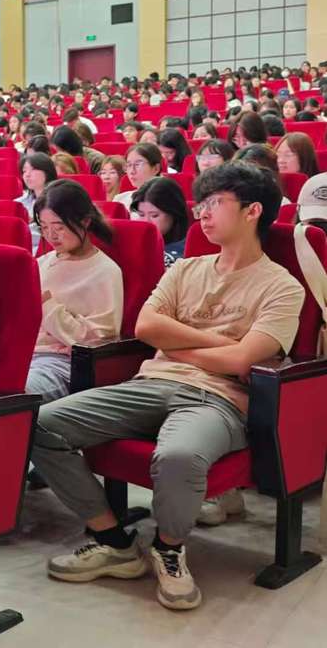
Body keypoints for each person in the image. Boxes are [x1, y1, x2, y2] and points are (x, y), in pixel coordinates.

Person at [31, 162, 304, 611]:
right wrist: (220, 345)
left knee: (178, 456)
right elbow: (147, 327)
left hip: (218, 398)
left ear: (253, 210)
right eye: (202, 203)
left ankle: (169, 547)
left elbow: (241, 362)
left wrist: (181, 346)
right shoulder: (186, 270)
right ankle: (114, 541)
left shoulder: (282, 286)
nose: (203, 213)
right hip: (152, 381)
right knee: (38, 424)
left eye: (215, 203)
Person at [25, 180, 122, 404]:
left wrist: (47, 306)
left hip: (59, 364)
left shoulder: (105, 271)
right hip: (24, 356)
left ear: (85, 221)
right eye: (44, 227)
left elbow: (97, 341)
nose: (51, 236)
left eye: (59, 227)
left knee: (8, 397)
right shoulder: (40, 263)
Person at [131, 177, 191, 268]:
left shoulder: (188, 250)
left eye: (154, 215)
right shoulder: (132, 242)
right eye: (141, 215)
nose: (147, 222)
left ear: (174, 213)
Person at [17, 153, 57, 254]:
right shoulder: (18, 203)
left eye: (33, 169)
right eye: (24, 171)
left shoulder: (59, 201)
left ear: (47, 171)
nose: (27, 175)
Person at [114, 143, 163, 213]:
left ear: (156, 168)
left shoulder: (167, 200)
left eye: (137, 164)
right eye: (129, 165)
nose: (132, 171)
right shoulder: (120, 200)